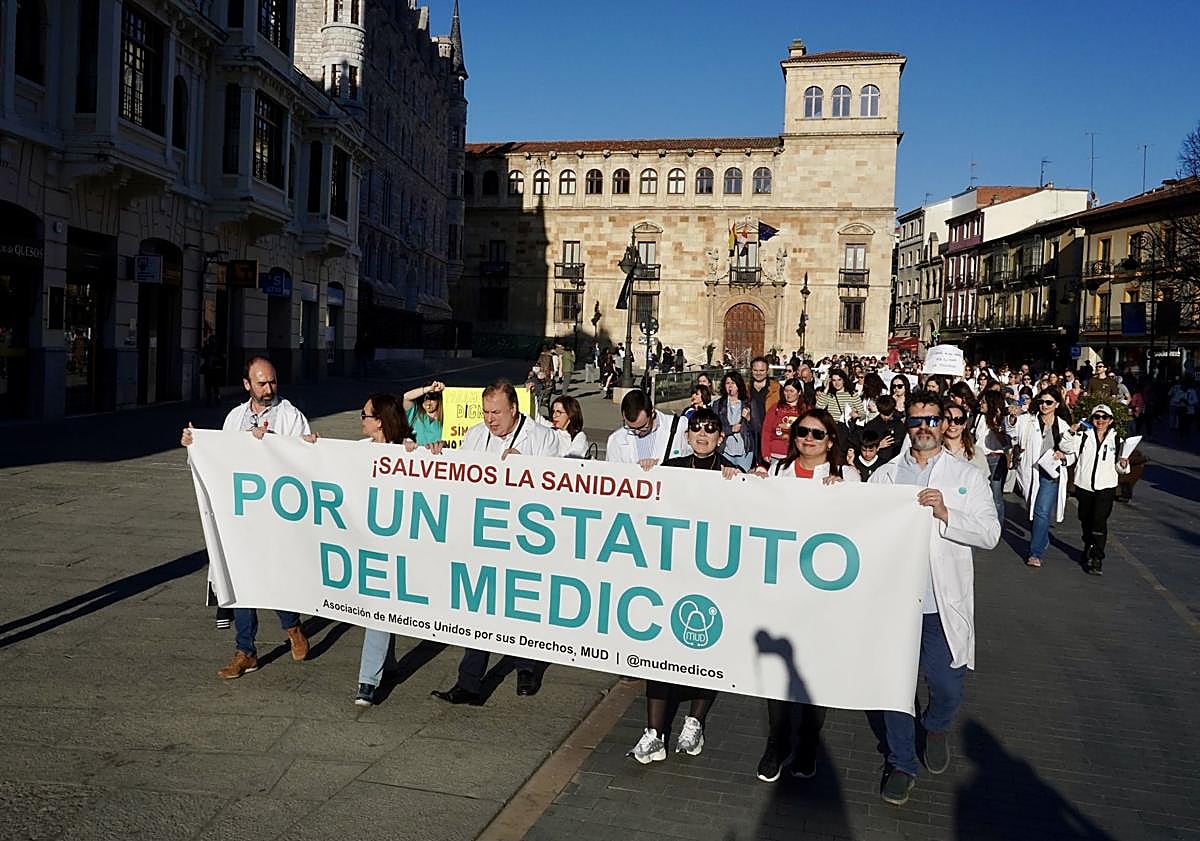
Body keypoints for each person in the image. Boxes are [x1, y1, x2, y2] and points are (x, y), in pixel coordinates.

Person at [868, 390, 1001, 805]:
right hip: (894, 603)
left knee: (945, 684)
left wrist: (947, 513)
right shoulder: (886, 476)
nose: (923, 427)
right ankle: (902, 761)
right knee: (896, 686)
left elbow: (990, 534)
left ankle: (938, 725)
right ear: (905, 425)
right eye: (914, 420)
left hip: (940, 603)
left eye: (931, 419)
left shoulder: (967, 477)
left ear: (944, 423)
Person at [181, 356, 316, 679]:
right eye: (261, 383)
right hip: (240, 515)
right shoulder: (234, 417)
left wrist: (292, 445)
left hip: (276, 513)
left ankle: (292, 626)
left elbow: (305, 463)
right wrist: (194, 447)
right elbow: (217, 460)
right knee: (242, 579)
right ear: (247, 385)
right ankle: (246, 651)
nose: (269, 389)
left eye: (272, 382)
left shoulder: (291, 416)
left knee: (275, 575)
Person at [431, 380, 560, 704]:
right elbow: (458, 476)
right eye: (486, 412)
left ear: (514, 409)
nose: (490, 419)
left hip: (527, 536)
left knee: (523, 603)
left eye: (497, 412)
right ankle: (469, 682)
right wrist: (438, 455)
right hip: (485, 534)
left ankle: (527, 668)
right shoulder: (476, 435)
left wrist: (528, 467)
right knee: (481, 606)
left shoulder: (542, 437)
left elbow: (559, 483)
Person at [628, 408, 741, 764]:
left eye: (710, 430)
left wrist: (742, 481)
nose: (703, 435)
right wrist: (647, 475)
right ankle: (654, 733)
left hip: (712, 577)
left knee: (705, 651)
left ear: (720, 437)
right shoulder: (672, 467)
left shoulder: (730, 473)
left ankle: (694, 722)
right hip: (672, 574)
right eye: (696, 430)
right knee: (660, 654)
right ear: (688, 435)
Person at [751, 408, 858, 782]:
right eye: (801, 433)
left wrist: (843, 496)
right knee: (778, 669)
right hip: (783, 585)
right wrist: (749, 484)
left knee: (817, 669)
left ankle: (808, 743)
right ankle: (776, 743)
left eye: (816, 434)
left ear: (830, 440)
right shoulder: (779, 471)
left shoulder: (846, 476)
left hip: (825, 590)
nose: (808, 440)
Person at [354, 393, 419, 706]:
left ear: (379, 420)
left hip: (399, 546)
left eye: (364, 414)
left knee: (379, 607)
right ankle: (386, 664)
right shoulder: (359, 451)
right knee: (383, 606)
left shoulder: (408, 452)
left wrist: (425, 454)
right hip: (367, 543)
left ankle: (368, 680)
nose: (361, 419)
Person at [1014, 389, 1078, 568]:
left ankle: (1035, 553)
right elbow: (1012, 431)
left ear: (1057, 404)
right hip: (1030, 471)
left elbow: (1072, 453)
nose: (1044, 405)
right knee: (1032, 511)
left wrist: (1063, 457)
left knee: (1041, 511)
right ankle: (1042, 540)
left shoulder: (1063, 426)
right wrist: (1013, 417)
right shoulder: (1029, 420)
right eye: (1042, 402)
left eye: (1049, 402)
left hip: (1051, 474)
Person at [1073, 404, 1130, 575]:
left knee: (1099, 520)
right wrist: (1071, 433)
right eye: (1097, 417)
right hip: (1084, 484)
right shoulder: (1083, 436)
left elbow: (1121, 467)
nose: (1100, 420)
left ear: (1110, 420)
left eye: (1104, 417)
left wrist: (1123, 465)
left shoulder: (1117, 440)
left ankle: (1097, 557)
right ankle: (1088, 544)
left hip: (1106, 486)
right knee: (1084, 517)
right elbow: (1068, 449)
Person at [606, 388, 692, 468]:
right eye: (630, 428)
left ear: (652, 413)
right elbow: (612, 474)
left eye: (642, 427)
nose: (637, 432)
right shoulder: (616, 439)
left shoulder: (680, 426)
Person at [973, 391, 1011, 525]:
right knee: (981, 493)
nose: (980, 404)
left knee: (996, 495)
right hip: (979, 458)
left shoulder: (1001, 419)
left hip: (996, 459)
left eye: (983, 402)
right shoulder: (979, 418)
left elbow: (1005, 442)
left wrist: (996, 427)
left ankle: (997, 525)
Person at [713, 371, 756, 471]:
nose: (730, 386)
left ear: (739, 385)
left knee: (742, 479)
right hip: (725, 450)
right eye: (728, 383)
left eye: (733, 383)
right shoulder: (718, 404)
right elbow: (715, 427)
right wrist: (730, 429)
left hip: (745, 451)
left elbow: (757, 428)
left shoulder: (749, 403)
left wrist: (749, 418)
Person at [760, 378, 807, 467]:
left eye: (792, 391)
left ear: (799, 392)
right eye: (786, 391)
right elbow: (766, 430)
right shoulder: (776, 408)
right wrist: (765, 452)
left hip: (797, 454)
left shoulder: (805, 409)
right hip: (776, 454)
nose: (788, 394)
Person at [815, 368, 864, 443]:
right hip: (832, 428)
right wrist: (826, 389)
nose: (837, 383)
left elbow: (863, 414)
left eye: (839, 380)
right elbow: (818, 408)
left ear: (844, 380)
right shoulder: (829, 395)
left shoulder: (852, 394)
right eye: (834, 380)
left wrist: (857, 415)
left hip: (846, 430)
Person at [941, 402, 989, 476]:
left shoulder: (976, 452)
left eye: (958, 420)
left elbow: (984, 482)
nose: (952, 424)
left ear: (964, 424)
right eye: (948, 419)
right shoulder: (933, 451)